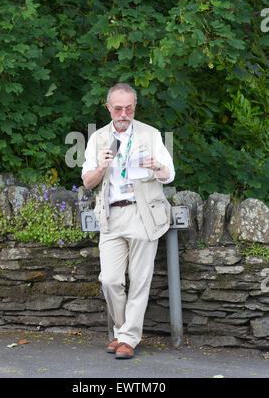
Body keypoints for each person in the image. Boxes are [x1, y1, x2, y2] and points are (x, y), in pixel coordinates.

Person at [82, 83, 175, 359]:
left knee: (140, 280)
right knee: (109, 279)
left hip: (143, 212)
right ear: (109, 107)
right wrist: (102, 166)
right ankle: (123, 332)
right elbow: (88, 182)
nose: (124, 114)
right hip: (111, 215)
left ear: (135, 107)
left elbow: (169, 175)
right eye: (118, 108)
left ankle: (127, 340)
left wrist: (156, 166)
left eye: (129, 109)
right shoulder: (97, 138)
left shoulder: (151, 134)